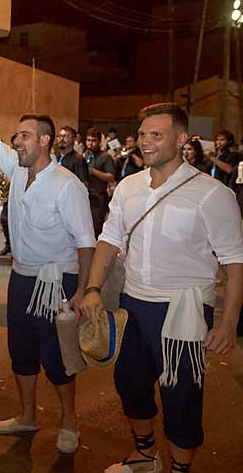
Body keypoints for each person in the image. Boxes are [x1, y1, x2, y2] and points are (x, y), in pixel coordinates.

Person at [81, 103, 243, 473]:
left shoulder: (212, 194)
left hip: (184, 310)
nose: (146, 141)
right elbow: (109, 240)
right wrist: (92, 288)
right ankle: (146, 455)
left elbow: (235, 262)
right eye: (142, 134)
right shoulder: (129, 186)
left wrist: (228, 322)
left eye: (157, 134)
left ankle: (179, 468)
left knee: (182, 396)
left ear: (182, 138)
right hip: (133, 304)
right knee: (130, 384)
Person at [0, 67, 95, 454]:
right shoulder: (16, 168)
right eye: (16, 136)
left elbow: (86, 243)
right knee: (21, 351)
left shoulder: (67, 186)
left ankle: (69, 421)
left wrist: (83, 291)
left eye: (24, 135)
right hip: (22, 280)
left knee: (58, 356)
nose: (16, 141)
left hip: (58, 282)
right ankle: (27, 416)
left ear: (44, 140)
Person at [85, 127, 117, 238]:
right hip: (85, 196)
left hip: (98, 196)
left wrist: (93, 171)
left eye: (93, 141)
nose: (90, 143)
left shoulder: (106, 157)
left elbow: (111, 177)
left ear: (99, 142)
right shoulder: (85, 155)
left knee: (96, 227)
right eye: (88, 140)